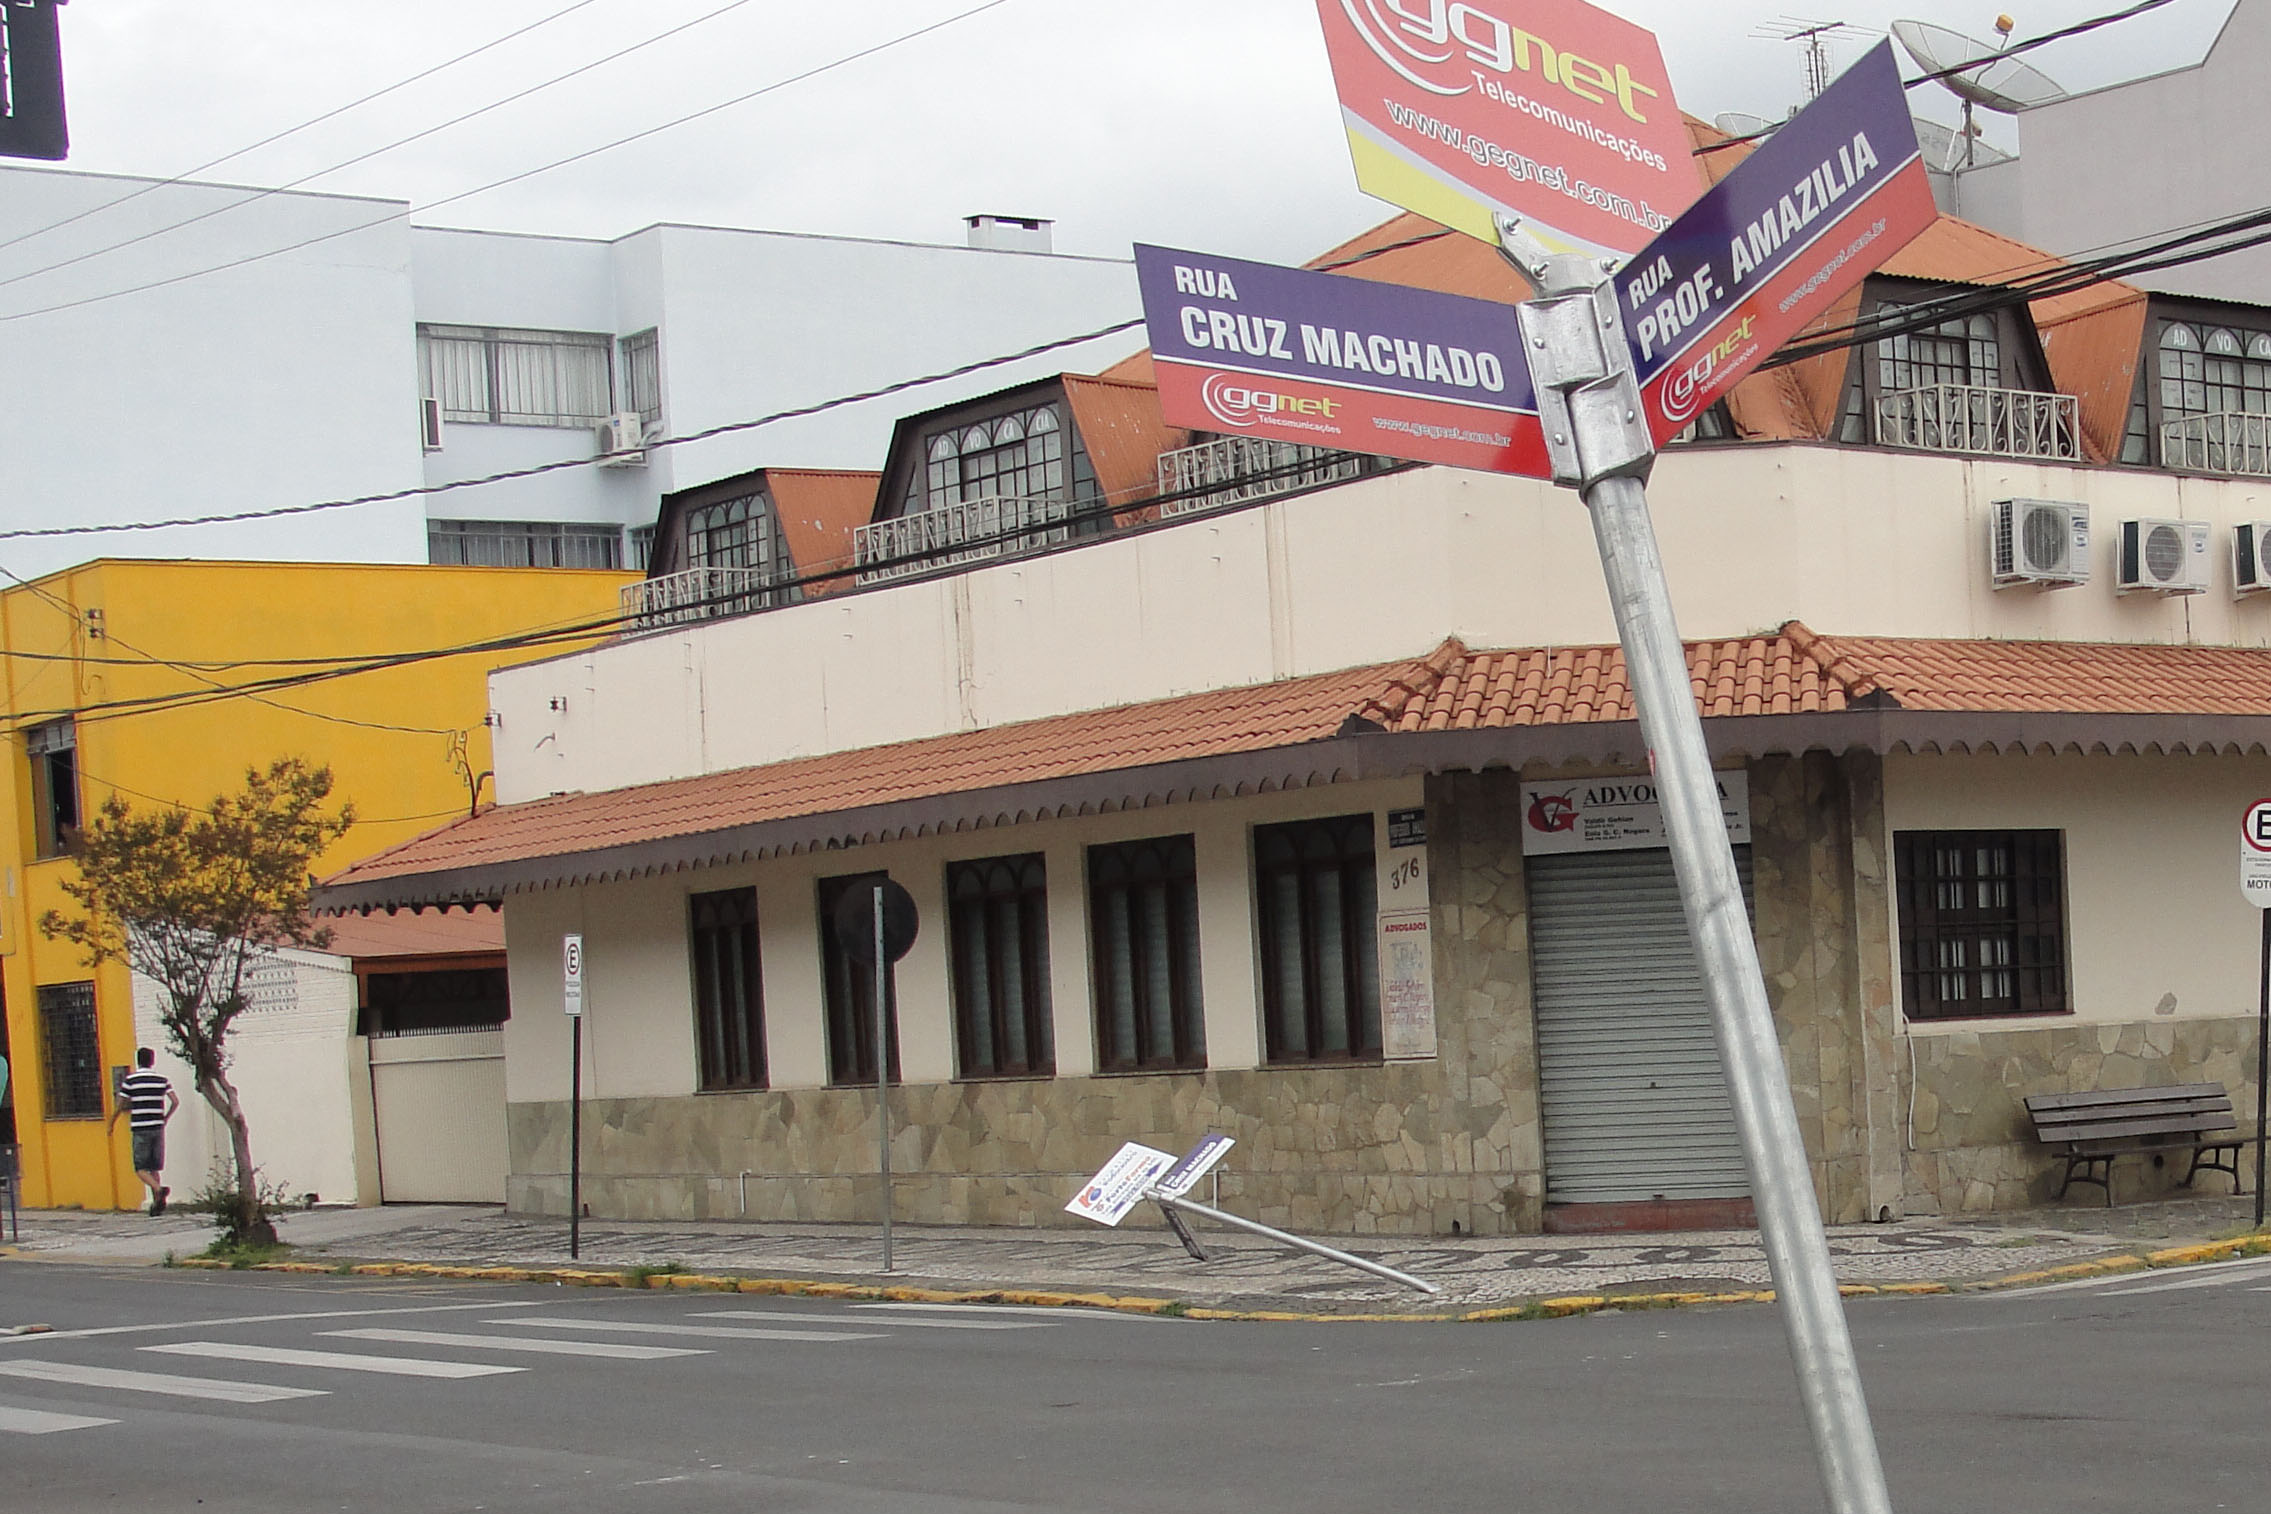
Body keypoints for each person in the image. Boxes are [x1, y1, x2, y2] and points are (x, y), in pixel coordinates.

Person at [109, 1048, 178, 1216]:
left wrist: (112, 1123)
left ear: (138, 1060)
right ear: (152, 1061)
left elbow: (120, 1104)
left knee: (140, 1168)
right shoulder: (162, 1080)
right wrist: (166, 1118)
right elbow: (175, 1101)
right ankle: (157, 1204)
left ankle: (158, 1189)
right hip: (157, 1127)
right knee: (154, 1168)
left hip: (140, 1127)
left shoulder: (131, 1081)